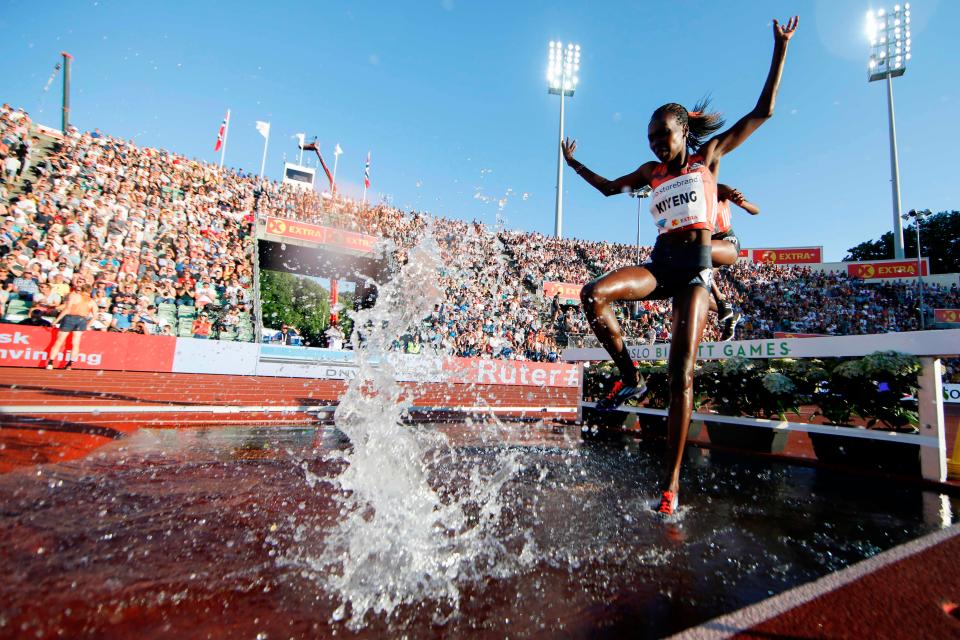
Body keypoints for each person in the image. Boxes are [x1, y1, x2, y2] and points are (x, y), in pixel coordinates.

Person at [563, 16, 798, 515]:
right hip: (662, 262)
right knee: (592, 294)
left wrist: (780, 50)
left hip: (695, 269)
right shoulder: (652, 172)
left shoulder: (708, 158)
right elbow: (609, 188)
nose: (654, 144)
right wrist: (573, 165)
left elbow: (763, 111)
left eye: (662, 135)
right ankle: (629, 374)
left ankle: (670, 485)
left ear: (683, 132)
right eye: (650, 137)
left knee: (682, 374)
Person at [711, 183, 760, 341]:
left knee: (697, 253)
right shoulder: (690, 198)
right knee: (697, 288)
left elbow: (755, 210)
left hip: (727, 240)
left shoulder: (718, 189)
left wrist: (742, 202)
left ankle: (721, 300)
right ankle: (730, 314)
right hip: (709, 246)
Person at [46, 283, 98, 369]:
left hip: (70, 318)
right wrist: (88, 325)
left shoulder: (75, 296)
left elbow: (67, 309)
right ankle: (70, 364)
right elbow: (95, 315)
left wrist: (56, 320)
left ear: (81, 289)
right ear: (90, 291)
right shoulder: (92, 301)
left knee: (59, 341)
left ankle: (50, 362)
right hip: (82, 320)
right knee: (76, 343)